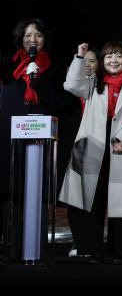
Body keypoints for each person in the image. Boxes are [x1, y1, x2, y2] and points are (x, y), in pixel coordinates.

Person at [58, 41, 122, 264]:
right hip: (91, 146)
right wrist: (80, 57)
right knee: (89, 200)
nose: (113, 60)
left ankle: (117, 252)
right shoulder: (92, 83)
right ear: (102, 61)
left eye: (118, 56)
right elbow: (71, 85)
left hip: (120, 148)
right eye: (108, 56)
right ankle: (88, 249)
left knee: (120, 203)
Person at [0, 19, 64, 255]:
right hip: (10, 138)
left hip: (40, 140)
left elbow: (60, 102)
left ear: (44, 40)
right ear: (21, 39)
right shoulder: (8, 66)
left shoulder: (53, 69)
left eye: (38, 35)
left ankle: (35, 246)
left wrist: (37, 83)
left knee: (36, 191)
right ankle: (10, 246)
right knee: (11, 191)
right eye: (28, 36)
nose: (32, 40)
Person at [58, 46, 99, 258]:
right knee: (74, 199)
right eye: (85, 61)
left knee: (92, 200)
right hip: (71, 147)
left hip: (95, 148)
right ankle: (77, 241)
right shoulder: (68, 92)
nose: (88, 65)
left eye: (92, 61)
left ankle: (91, 242)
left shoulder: (101, 90)